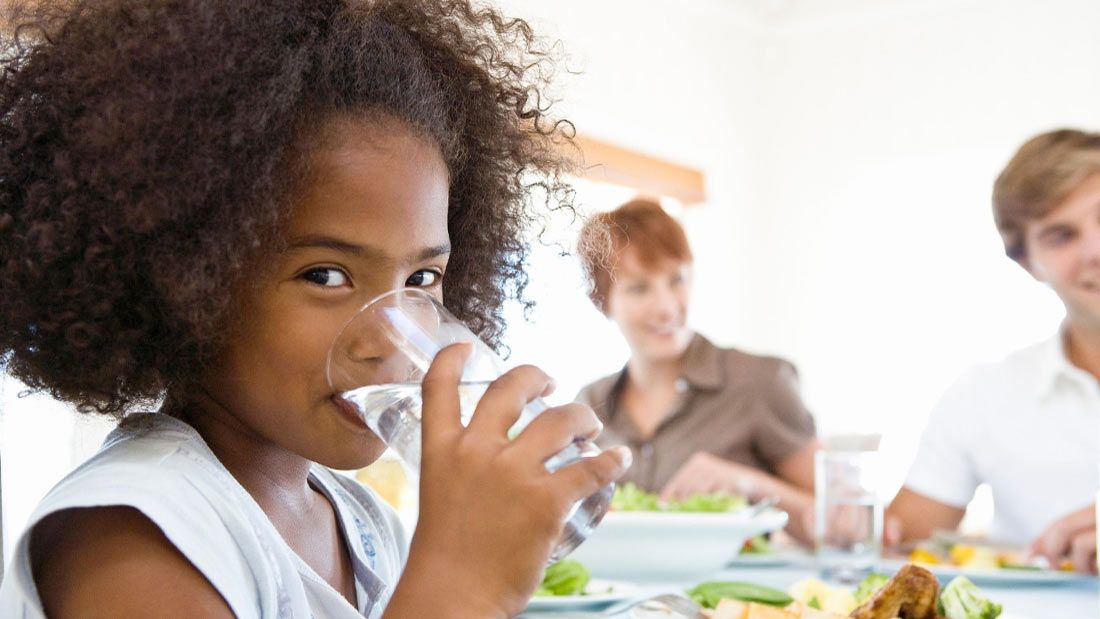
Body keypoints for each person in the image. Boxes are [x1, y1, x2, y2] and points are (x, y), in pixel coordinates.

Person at [0, 1, 631, 617]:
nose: (392, 339)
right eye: (325, 275)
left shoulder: (363, 524)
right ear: (183, 279)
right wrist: (466, 584)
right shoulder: (132, 535)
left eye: (422, 276)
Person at [887, 129, 1100, 573]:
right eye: (1061, 236)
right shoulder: (983, 394)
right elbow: (897, 545)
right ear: (1028, 263)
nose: (1095, 250)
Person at [575, 199, 818, 543]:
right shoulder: (590, 404)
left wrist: (748, 483)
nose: (666, 307)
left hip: (733, 597)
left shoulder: (760, 382)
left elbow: (844, 522)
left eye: (676, 280)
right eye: (639, 287)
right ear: (603, 302)